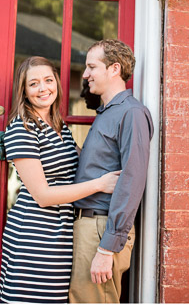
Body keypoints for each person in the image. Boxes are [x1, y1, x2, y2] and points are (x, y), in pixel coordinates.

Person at [0, 56, 120, 303]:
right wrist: (100, 184)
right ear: (23, 90)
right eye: (33, 84)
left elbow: (84, 162)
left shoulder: (59, 127)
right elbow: (43, 196)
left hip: (61, 235)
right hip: (34, 237)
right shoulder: (21, 128)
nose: (43, 88)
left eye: (48, 80)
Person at [69, 39, 153, 303]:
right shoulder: (106, 113)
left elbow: (131, 180)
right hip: (89, 225)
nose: (85, 74)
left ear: (114, 69)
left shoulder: (132, 113)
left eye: (92, 67)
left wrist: (107, 248)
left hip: (102, 227)